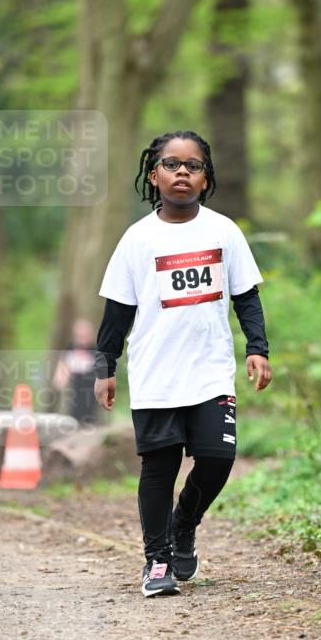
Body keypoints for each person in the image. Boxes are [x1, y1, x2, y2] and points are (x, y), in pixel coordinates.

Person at [93, 129, 272, 597]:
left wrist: (258, 348)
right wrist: (105, 365)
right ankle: (157, 562)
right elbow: (118, 310)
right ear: (154, 175)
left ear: (205, 178)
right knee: (159, 468)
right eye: (171, 165)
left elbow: (246, 296)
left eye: (192, 166)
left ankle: (184, 523)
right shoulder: (137, 240)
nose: (182, 173)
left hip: (210, 370)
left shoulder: (223, 231)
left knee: (218, 457)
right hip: (155, 373)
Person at [52, 318, 99, 425]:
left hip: (91, 390)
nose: (82, 338)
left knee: (90, 415)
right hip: (74, 389)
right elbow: (63, 365)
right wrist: (60, 378)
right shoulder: (70, 348)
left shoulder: (96, 350)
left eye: (85, 334)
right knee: (73, 414)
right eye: (80, 335)